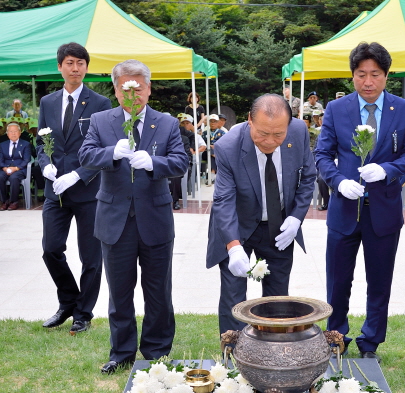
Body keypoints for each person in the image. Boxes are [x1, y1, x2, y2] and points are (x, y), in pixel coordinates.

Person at [79, 59, 188, 374]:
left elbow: (181, 162)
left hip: (154, 218)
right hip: (114, 220)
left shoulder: (166, 123)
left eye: (138, 89)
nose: (132, 97)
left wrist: (154, 162)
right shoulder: (101, 121)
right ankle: (122, 351)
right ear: (115, 90)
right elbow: (86, 155)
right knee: (120, 291)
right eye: (126, 90)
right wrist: (110, 154)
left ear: (149, 88)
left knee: (158, 290)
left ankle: (157, 350)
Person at [315, 42, 405, 360]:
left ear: (386, 75)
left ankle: (371, 341)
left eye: (375, 74)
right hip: (344, 209)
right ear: (352, 76)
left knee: (379, 280)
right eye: (361, 74)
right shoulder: (337, 109)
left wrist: (387, 170)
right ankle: (336, 337)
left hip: (384, 211)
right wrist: (338, 181)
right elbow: (322, 154)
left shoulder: (403, 110)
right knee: (337, 280)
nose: (368, 81)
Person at [206, 93, 316, 335]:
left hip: (280, 225)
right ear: (249, 121)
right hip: (237, 226)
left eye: (278, 134)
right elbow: (223, 200)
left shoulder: (298, 132)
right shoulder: (227, 146)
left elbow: (308, 177)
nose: (269, 141)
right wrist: (233, 247)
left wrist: (296, 218)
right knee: (234, 297)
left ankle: (272, 352)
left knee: (278, 298)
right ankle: (234, 353)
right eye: (263, 134)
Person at [36, 42, 112, 336]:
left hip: (89, 191)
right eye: (70, 63)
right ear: (60, 66)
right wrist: (45, 164)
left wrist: (79, 174)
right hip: (55, 189)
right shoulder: (48, 102)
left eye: (80, 63)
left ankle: (83, 312)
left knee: (91, 257)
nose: (75, 68)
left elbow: (104, 150)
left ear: (87, 67)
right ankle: (68, 301)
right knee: (50, 249)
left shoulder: (100, 103)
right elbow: (42, 141)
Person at [0, 123, 31, 211]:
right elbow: (0, 159)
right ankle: (4, 201)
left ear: (20, 132)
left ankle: (14, 202)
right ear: (7, 133)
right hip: (6, 168)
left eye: (15, 131)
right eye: (11, 131)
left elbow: (27, 159)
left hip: (20, 169)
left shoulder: (26, 144)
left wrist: (16, 168)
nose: (13, 133)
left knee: (14, 178)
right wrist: (4, 168)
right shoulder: (3, 145)